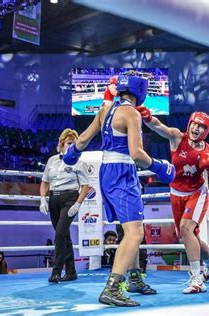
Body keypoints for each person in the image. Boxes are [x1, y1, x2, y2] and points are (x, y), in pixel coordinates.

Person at [63, 74, 175, 307]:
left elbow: (83, 139)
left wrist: (71, 153)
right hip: (122, 172)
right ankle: (113, 288)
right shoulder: (131, 113)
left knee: (131, 227)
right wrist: (160, 166)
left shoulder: (105, 110)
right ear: (140, 92)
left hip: (107, 172)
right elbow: (136, 154)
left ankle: (133, 278)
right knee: (135, 233)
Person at [135, 107, 209, 294]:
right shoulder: (177, 137)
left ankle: (197, 278)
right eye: (195, 124)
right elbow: (158, 126)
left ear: (206, 131)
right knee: (190, 235)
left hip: (197, 194)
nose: (196, 129)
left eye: (201, 127)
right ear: (189, 124)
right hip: (176, 194)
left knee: (186, 228)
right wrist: (146, 115)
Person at [39, 128, 91, 283]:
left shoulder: (80, 163)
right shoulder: (52, 160)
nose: (71, 146)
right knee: (64, 236)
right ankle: (71, 272)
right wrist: (42, 198)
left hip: (70, 198)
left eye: (74, 144)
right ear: (61, 144)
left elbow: (85, 186)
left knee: (60, 234)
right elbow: (44, 182)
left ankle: (56, 271)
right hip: (53, 198)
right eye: (69, 143)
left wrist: (78, 203)